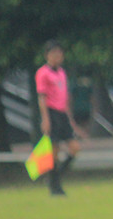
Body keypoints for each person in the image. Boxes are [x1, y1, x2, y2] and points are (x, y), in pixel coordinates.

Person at [35, 40, 87, 196]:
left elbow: (65, 98)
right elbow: (42, 97)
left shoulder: (62, 73)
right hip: (52, 113)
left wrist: (71, 120)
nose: (57, 56)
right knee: (54, 151)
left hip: (62, 113)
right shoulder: (43, 73)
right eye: (54, 53)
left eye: (59, 53)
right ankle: (54, 187)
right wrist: (45, 119)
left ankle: (54, 179)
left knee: (75, 148)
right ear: (47, 55)